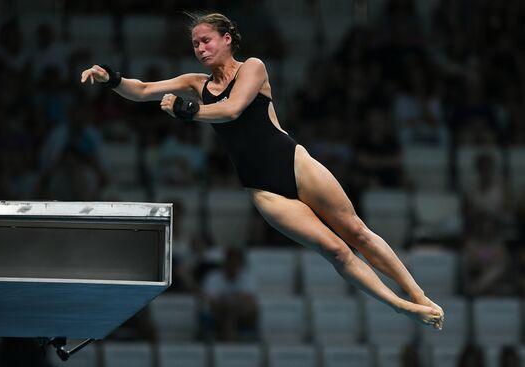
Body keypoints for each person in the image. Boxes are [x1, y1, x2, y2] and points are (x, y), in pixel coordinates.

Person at [80, 12, 444, 329]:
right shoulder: (196, 84)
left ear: (227, 39)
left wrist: (187, 111)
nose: (200, 48)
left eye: (206, 40)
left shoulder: (253, 67)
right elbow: (142, 89)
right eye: (195, 44)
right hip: (263, 188)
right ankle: (401, 306)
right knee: (337, 251)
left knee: (358, 233)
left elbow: (233, 110)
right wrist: (111, 79)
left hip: (293, 161)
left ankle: (417, 292)